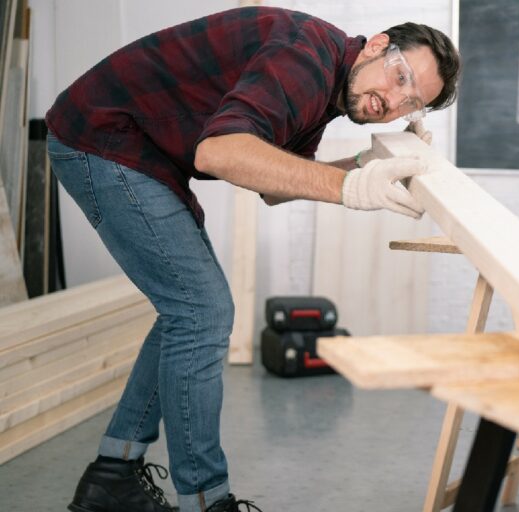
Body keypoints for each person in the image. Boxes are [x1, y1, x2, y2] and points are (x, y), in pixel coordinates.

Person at [46, 6, 460, 512]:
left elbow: (275, 186)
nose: (390, 101)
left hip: (145, 151)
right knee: (201, 311)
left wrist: (362, 164)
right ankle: (205, 500)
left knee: (189, 309)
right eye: (399, 77)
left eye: (409, 104)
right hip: (103, 137)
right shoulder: (304, 58)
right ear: (376, 44)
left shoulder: (331, 83)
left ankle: (112, 476)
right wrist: (350, 187)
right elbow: (218, 154)